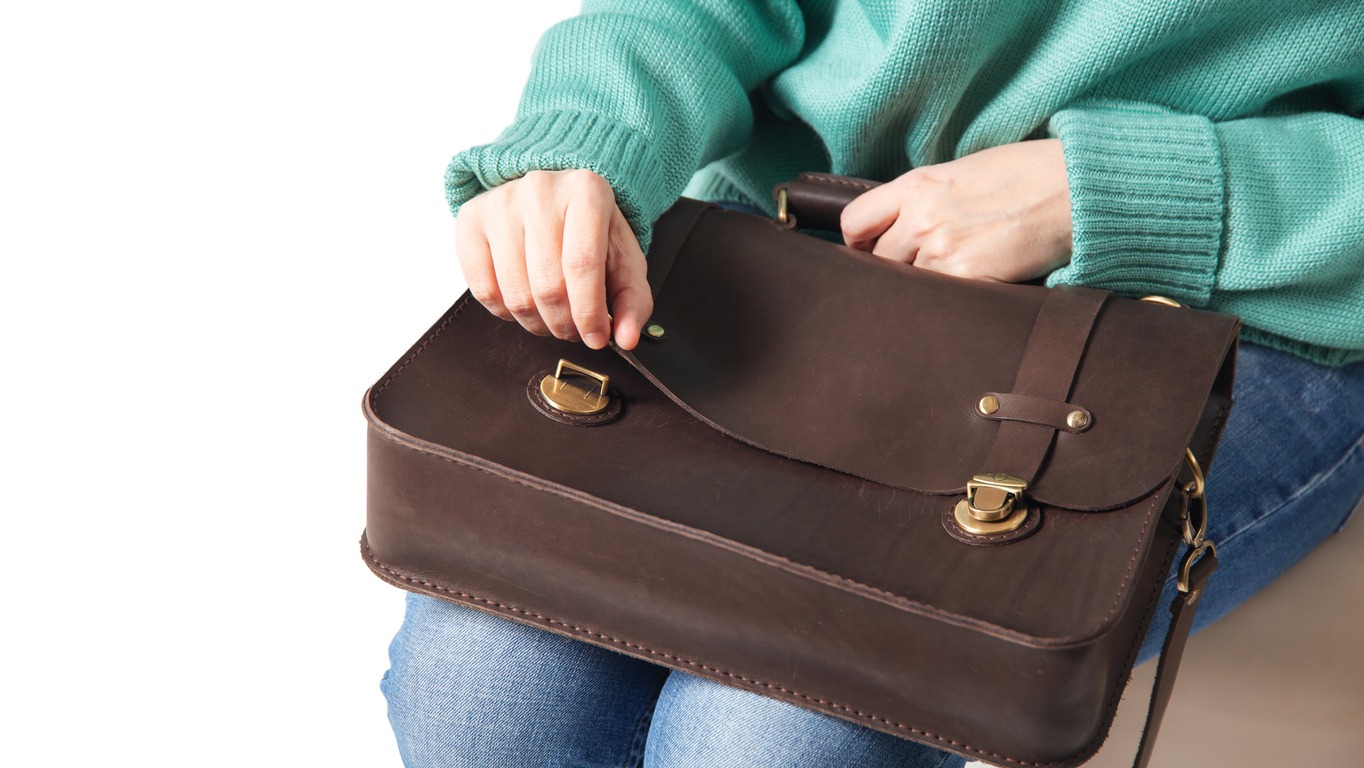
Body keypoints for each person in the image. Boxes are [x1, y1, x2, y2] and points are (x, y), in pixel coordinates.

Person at [382, 2, 1364, 765]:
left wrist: (1105, 190)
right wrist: (587, 138)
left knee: (775, 739)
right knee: (474, 689)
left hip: (1227, 303)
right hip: (802, 245)